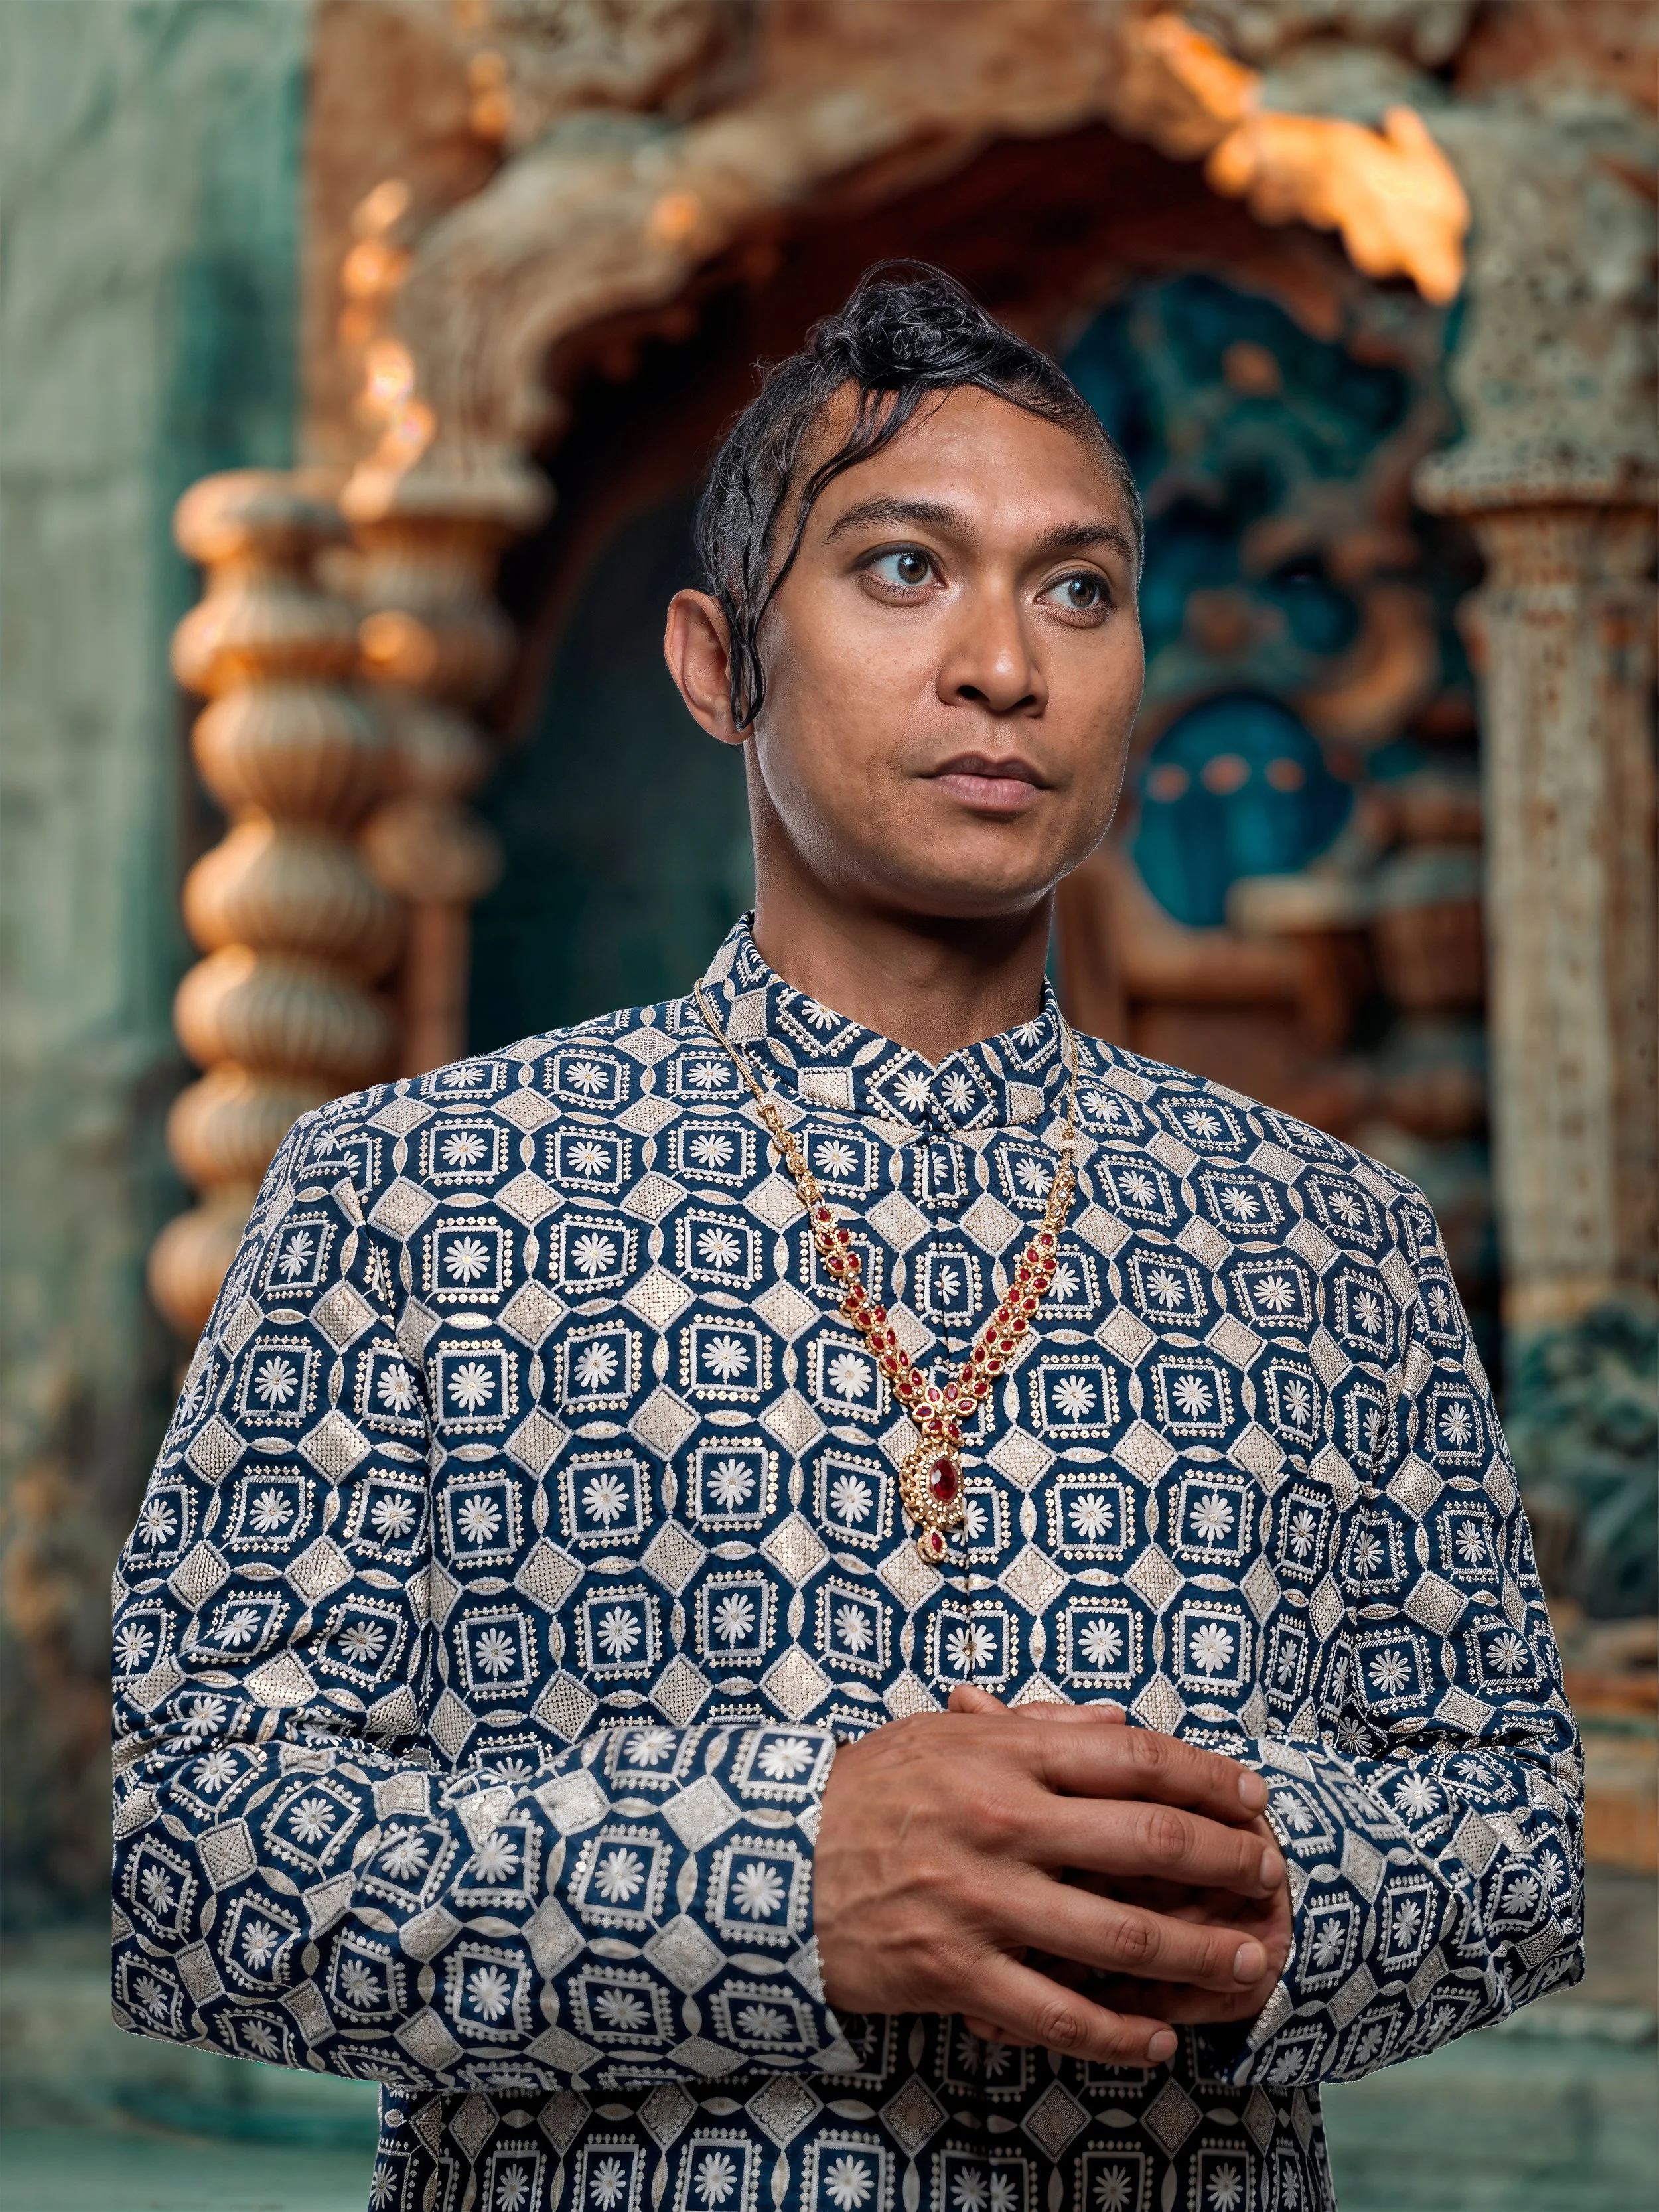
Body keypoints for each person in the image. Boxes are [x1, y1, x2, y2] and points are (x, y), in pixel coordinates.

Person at [111, 266, 1582, 2212]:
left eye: (1076, 590)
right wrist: (779, 1883)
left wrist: (1210, 1889)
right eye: (903, 570)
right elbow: (191, 1850)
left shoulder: (1329, 1239)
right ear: (719, 663)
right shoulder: (411, 1198)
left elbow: (1513, 1830)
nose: (1004, 664)